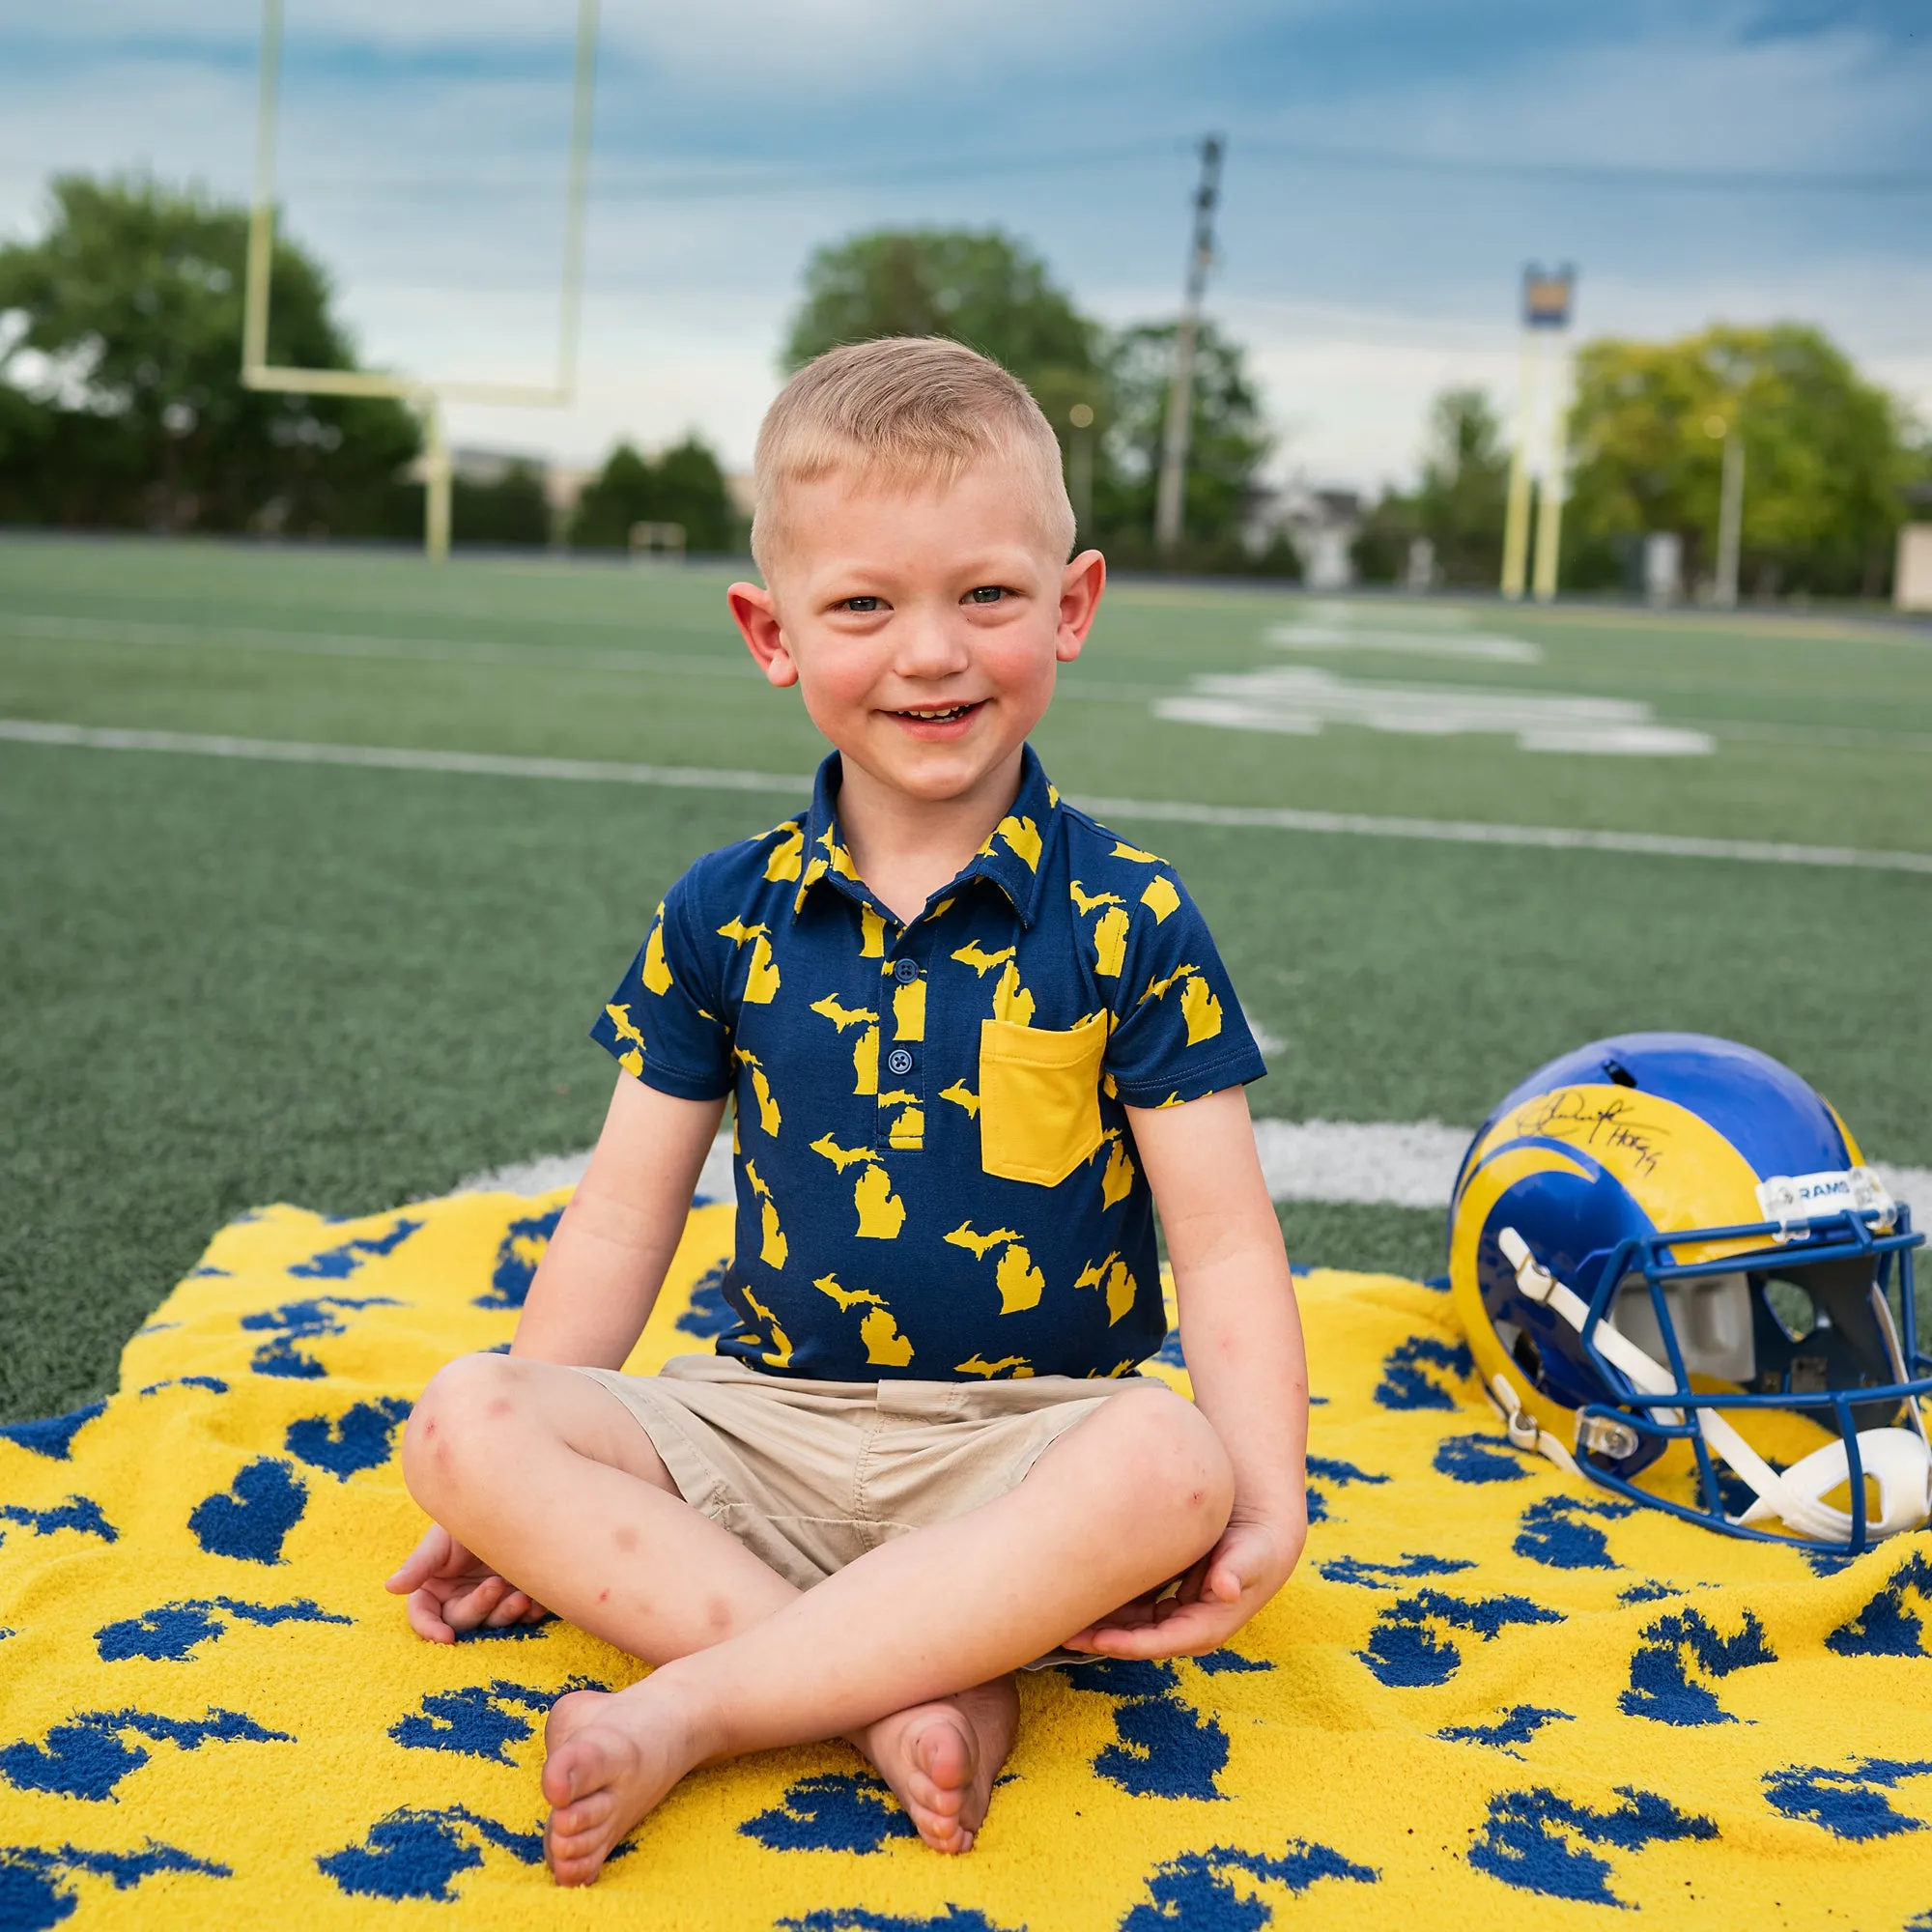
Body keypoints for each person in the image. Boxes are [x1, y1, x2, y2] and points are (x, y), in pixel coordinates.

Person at [385, 336, 1309, 1887]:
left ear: (1071, 606)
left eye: (988, 596)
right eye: (865, 605)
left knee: (1175, 1467)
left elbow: (1220, 1248)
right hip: (766, 1434)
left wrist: (1270, 1505)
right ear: (772, 631)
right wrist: (514, 1497)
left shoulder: (1131, 912)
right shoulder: (722, 911)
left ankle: (696, 1704)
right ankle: (916, 1691)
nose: (930, 653)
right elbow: (623, 1214)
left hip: (1031, 1450)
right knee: (465, 1421)